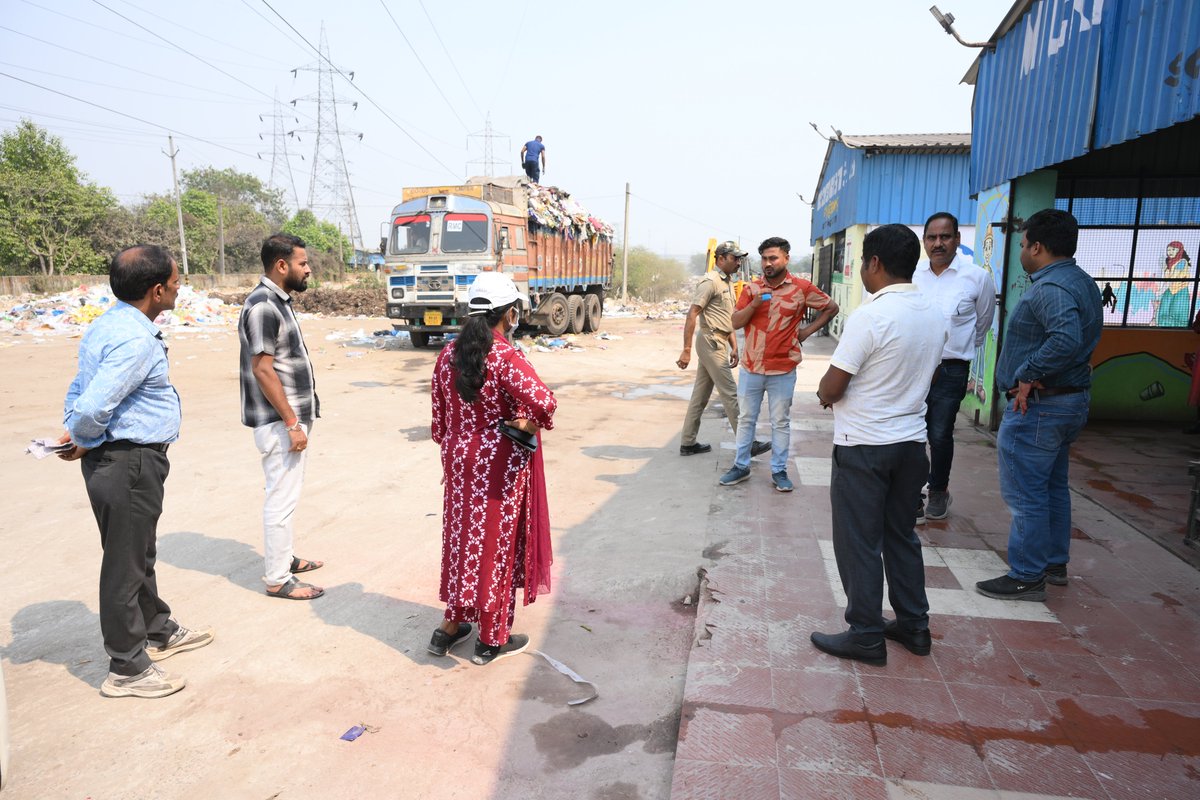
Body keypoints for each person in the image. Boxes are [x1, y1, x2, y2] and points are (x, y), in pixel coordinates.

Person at [58, 245, 213, 698]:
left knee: (138, 551)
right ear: (157, 289)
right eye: (177, 282)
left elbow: (80, 388)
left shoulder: (109, 324)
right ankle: (127, 668)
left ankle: (157, 628)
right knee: (124, 564)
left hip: (124, 459)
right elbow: (94, 402)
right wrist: (82, 434)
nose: (181, 288)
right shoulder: (135, 339)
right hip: (126, 460)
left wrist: (77, 430)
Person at [809, 225, 947, 666]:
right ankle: (914, 625)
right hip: (911, 445)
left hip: (865, 446)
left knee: (859, 541)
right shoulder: (932, 312)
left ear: (873, 263)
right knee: (901, 536)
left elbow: (833, 385)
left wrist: (824, 395)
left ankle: (866, 633)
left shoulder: (871, 314)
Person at [428, 272, 557, 665]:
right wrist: (528, 420)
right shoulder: (503, 356)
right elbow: (545, 402)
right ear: (509, 314)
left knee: (462, 540)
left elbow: (439, 423)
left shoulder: (447, 354)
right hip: (497, 464)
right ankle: (491, 639)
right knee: (494, 548)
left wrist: (461, 442)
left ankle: (449, 627)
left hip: (458, 460)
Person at [976, 209, 1102, 601]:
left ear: (1038, 247)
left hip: (1040, 407)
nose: (1021, 252)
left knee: (1026, 493)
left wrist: (1026, 376)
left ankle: (1027, 575)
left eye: (1024, 244)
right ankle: (1052, 562)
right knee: (1051, 487)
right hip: (1067, 402)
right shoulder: (1081, 282)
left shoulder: (1050, 288)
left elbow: (1064, 340)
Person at [239, 234, 324, 601]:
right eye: (303, 264)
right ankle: (277, 578)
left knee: (286, 493)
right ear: (281, 265)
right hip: (279, 424)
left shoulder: (279, 302)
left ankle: (284, 558)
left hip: (289, 420)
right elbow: (262, 369)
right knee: (280, 497)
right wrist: (291, 422)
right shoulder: (263, 306)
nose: (309, 270)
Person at [720, 236, 838, 492]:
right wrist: (753, 303)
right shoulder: (752, 289)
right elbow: (735, 322)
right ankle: (741, 466)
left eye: (773, 258)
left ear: (786, 258)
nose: (767, 263)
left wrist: (806, 332)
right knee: (746, 419)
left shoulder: (801, 288)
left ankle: (779, 471)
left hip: (783, 369)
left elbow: (831, 307)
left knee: (780, 421)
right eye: (764, 258)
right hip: (752, 367)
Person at [912, 212, 996, 522]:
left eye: (945, 237)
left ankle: (938, 491)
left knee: (939, 433)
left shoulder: (977, 278)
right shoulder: (913, 274)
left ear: (957, 239)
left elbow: (983, 323)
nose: (938, 243)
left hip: (951, 369)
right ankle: (912, 491)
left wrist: (956, 351)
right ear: (924, 242)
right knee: (912, 431)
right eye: (932, 238)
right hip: (915, 367)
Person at [676, 240, 768, 458]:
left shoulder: (727, 282)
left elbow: (726, 318)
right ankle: (748, 443)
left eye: (739, 259)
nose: (738, 262)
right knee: (731, 394)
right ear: (721, 259)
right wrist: (686, 349)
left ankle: (688, 443)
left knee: (700, 396)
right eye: (734, 258)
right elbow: (692, 314)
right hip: (710, 341)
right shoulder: (710, 282)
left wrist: (734, 346)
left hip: (719, 340)